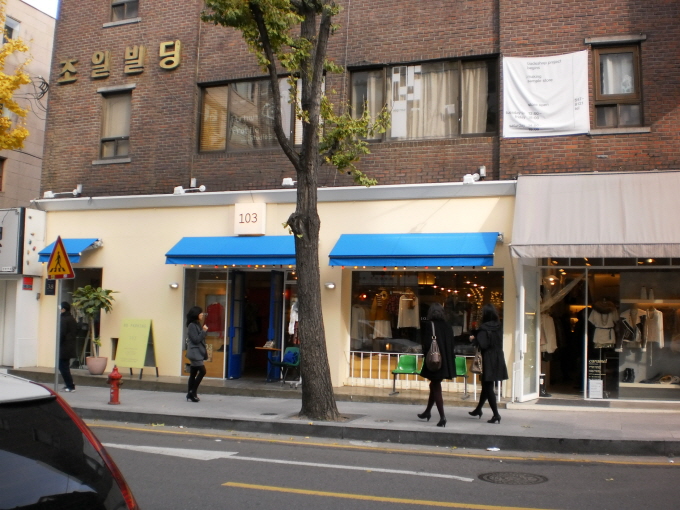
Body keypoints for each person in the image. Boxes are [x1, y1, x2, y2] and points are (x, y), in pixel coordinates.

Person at [417, 302, 456, 427]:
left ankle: (442, 416)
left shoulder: (430, 325)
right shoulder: (448, 326)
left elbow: (426, 344)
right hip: (446, 361)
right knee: (434, 385)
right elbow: (452, 344)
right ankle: (427, 412)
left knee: (436, 386)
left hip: (435, 360)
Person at [469, 303, 508, 424]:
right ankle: (478, 409)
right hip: (498, 357)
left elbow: (483, 344)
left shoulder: (484, 327)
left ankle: (496, 414)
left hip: (487, 358)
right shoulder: (499, 326)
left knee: (488, 387)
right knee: (486, 385)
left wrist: (474, 339)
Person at [185, 306, 208, 403]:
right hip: (195, 353)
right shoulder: (192, 325)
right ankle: (192, 392)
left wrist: (203, 331)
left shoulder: (197, 324)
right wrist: (204, 331)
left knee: (193, 373)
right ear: (196, 314)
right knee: (202, 371)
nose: (202, 314)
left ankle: (191, 394)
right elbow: (196, 340)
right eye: (200, 313)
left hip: (197, 352)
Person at [59, 302, 78, 392]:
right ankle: (68, 384)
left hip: (64, 346)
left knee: (63, 366)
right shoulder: (71, 318)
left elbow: (62, 333)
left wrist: (58, 343)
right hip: (69, 345)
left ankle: (70, 386)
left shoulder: (64, 319)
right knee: (64, 366)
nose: (60, 310)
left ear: (63, 309)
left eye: (60, 308)